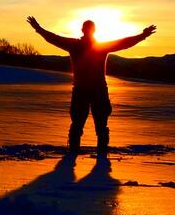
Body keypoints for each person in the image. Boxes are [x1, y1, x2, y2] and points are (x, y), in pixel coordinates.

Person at [27, 15, 156, 154]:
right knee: (90, 124)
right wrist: (143, 35)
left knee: (88, 124)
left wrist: (39, 29)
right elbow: (124, 43)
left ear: (84, 30)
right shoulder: (89, 46)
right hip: (91, 89)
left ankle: (82, 152)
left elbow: (124, 43)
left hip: (90, 89)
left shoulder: (81, 45)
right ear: (91, 31)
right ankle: (89, 153)